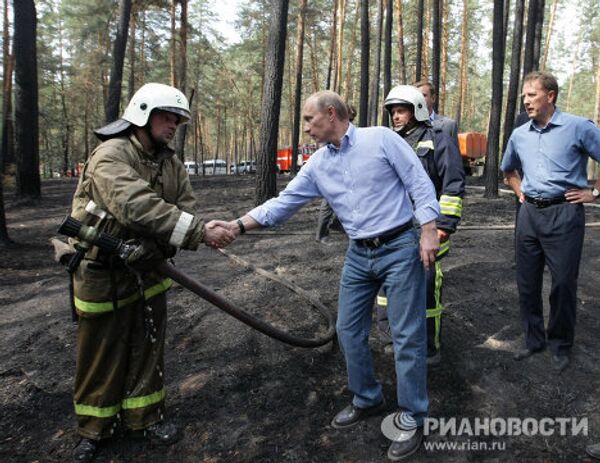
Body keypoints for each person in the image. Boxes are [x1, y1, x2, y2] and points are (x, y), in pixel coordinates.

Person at [215, 90, 440, 461]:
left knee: (406, 336)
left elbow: (418, 181)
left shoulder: (380, 140)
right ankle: (367, 396)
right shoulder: (318, 164)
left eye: (308, 119)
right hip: (358, 254)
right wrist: (238, 225)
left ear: (331, 114)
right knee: (348, 331)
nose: (305, 128)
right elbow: (283, 203)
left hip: (400, 246)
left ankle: (413, 417)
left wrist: (429, 229)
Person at [67, 83, 234, 463]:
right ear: (141, 113)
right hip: (101, 274)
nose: (174, 124)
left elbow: (185, 205)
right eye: (167, 116)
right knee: (100, 355)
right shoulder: (111, 155)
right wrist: (197, 232)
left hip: (149, 273)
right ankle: (94, 429)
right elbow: (134, 205)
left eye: (177, 119)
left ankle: (145, 418)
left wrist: (162, 246)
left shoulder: (170, 163)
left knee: (148, 347)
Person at [501, 71, 600, 373]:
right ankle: (533, 341)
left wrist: (593, 192)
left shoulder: (578, 127)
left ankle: (560, 345)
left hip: (565, 214)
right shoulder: (520, 134)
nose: (526, 101)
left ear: (551, 96)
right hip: (529, 216)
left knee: (563, 284)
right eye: (524, 96)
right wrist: (521, 194)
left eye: (532, 95)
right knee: (527, 282)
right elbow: (509, 170)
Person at [375, 85, 465, 365]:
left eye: (401, 110)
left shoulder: (438, 139)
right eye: (392, 111)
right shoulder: (389, 141)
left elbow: (453, 185)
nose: (396, 116)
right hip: (393, 228)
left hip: (427, 227)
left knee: (426, 286)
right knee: (386, 286)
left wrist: (444, 226)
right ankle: (390, 337)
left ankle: (428, 346)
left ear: (417, 110)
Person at [315, 103, 356, 244]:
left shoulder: (348, 129)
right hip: (332, 171)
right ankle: (321, 235)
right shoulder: (330, 129)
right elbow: (325, 151)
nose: (350, 121)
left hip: (346, 171)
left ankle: (337, 224)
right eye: (349, 116)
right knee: (328, 204)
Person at [415, 80, 459, 145]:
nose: (420, 99)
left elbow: (453, 153)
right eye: (417, 96)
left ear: (433, 98)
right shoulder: (407, 126)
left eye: (424, 95)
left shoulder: (449, 126)